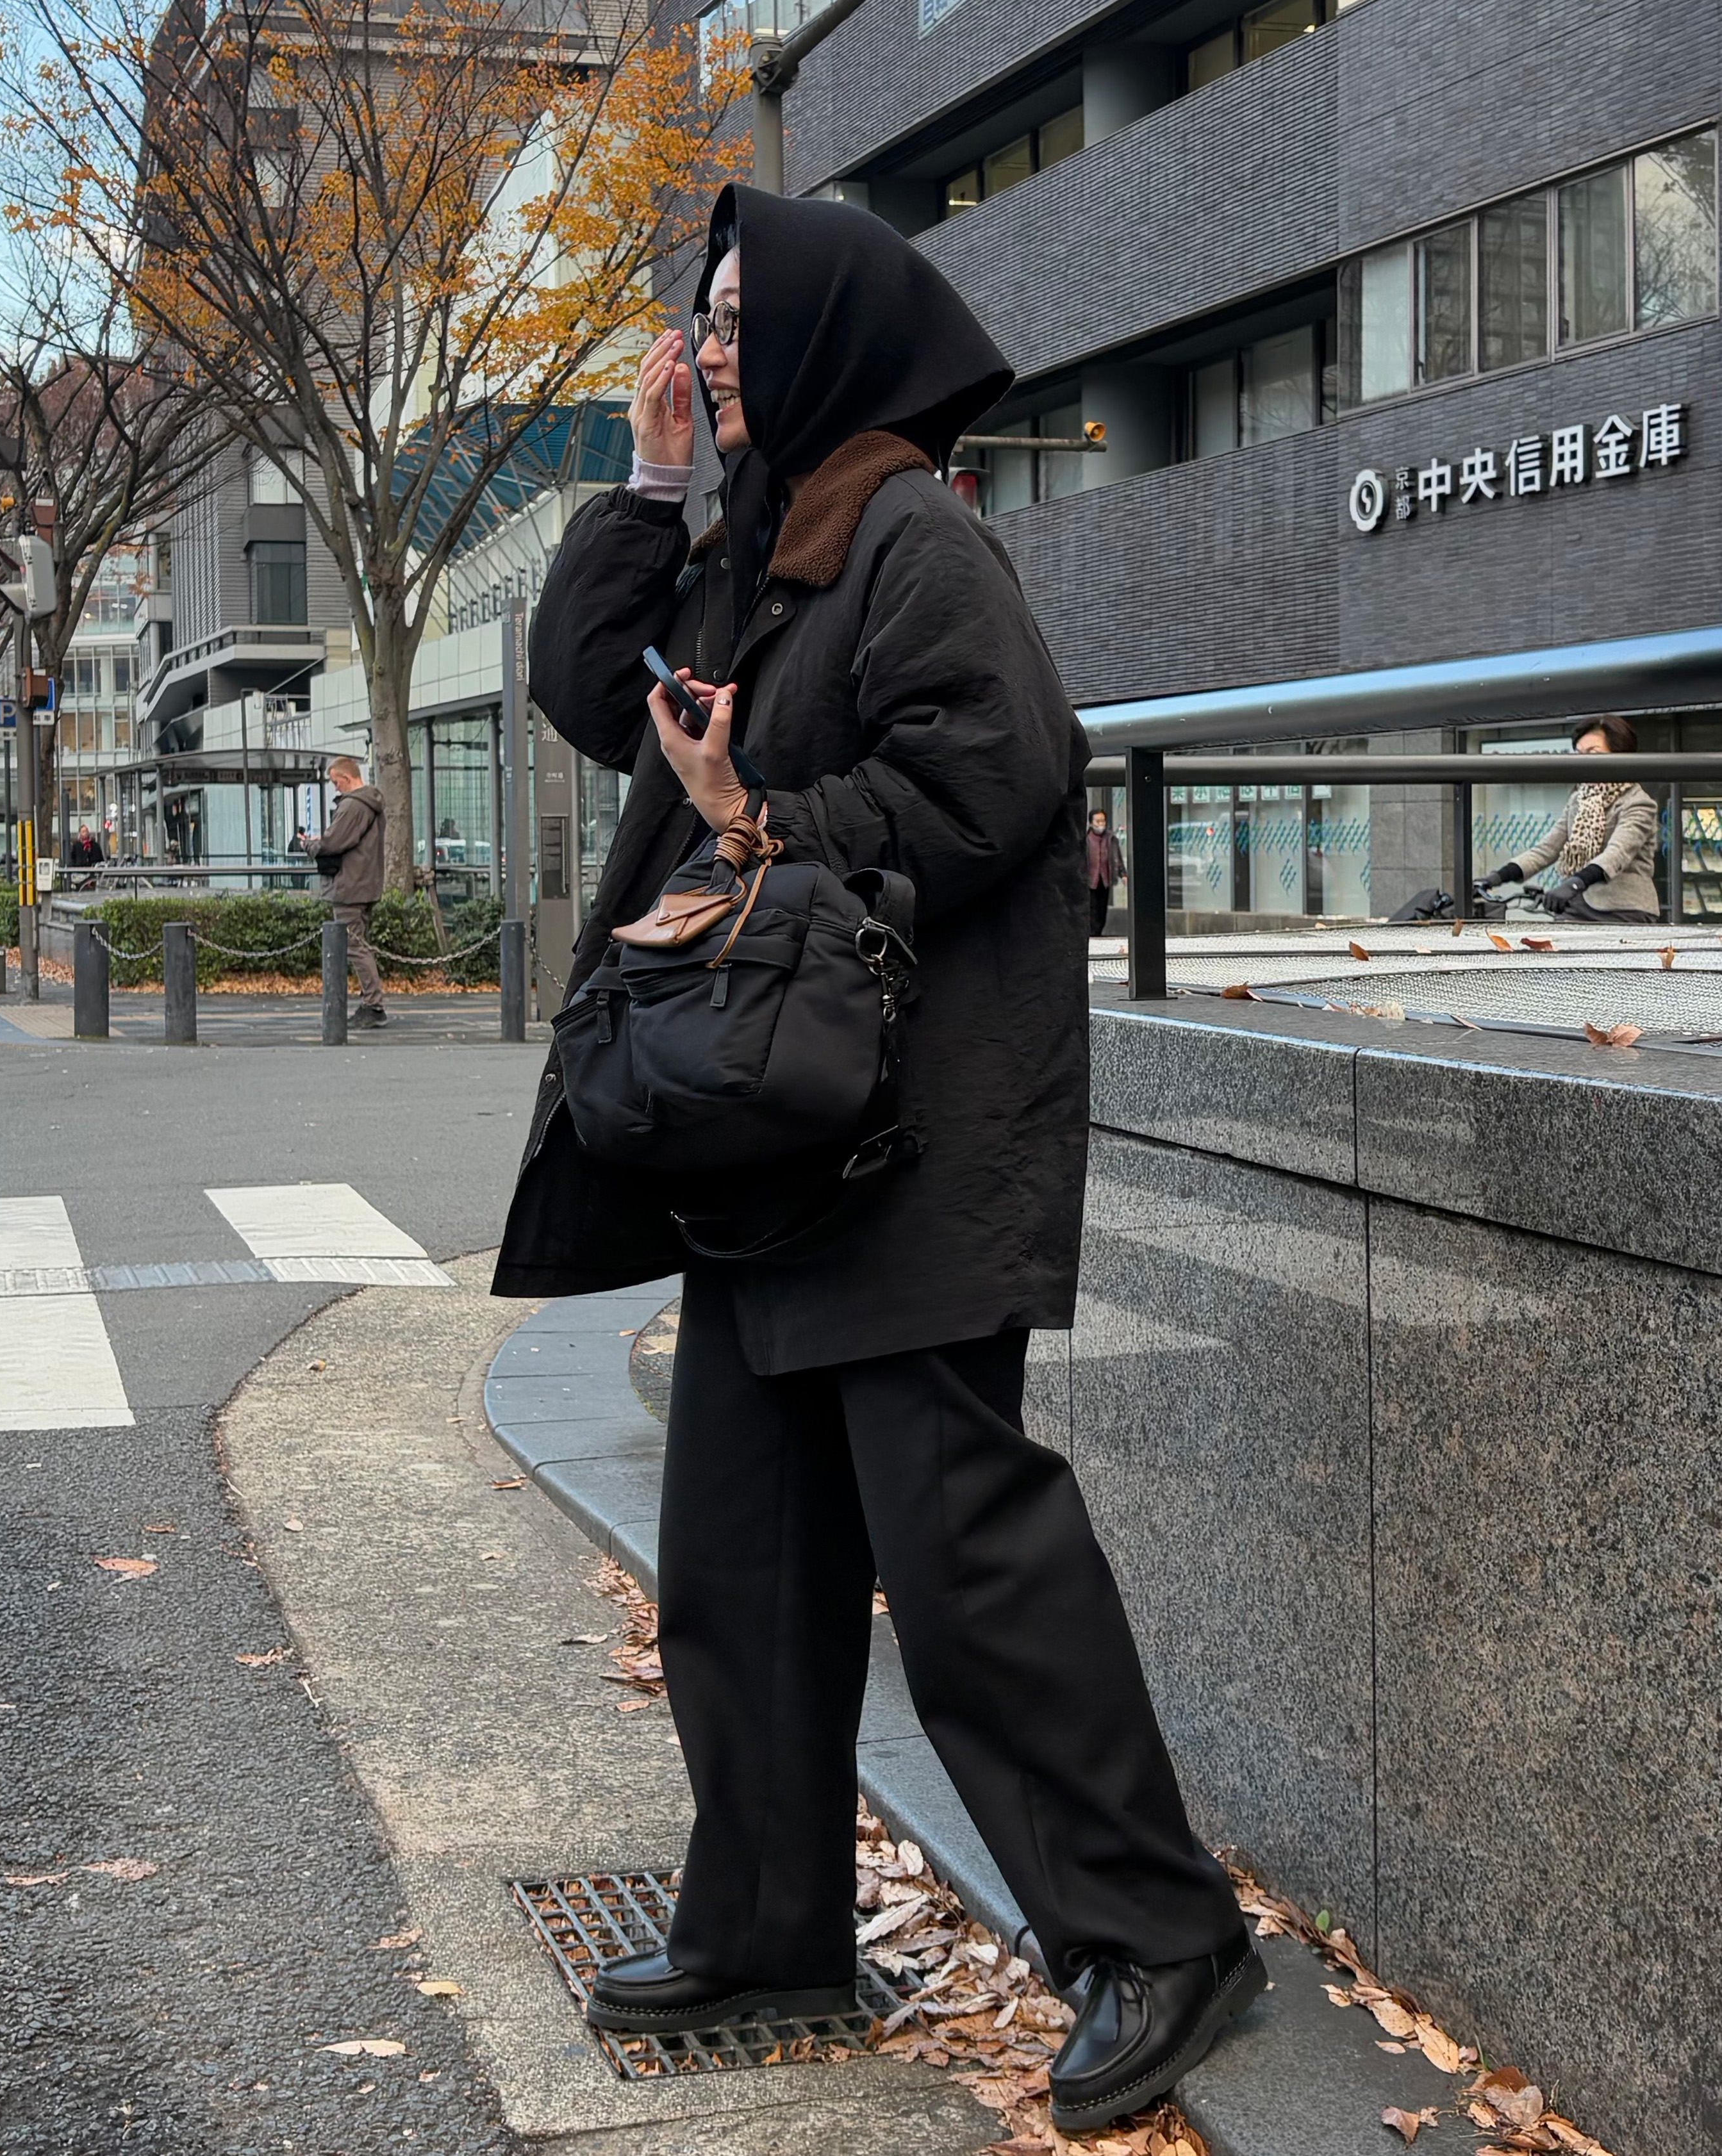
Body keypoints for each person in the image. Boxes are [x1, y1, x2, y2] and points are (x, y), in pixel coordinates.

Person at [495, 185, 1260, 2137]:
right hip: (783, 1137)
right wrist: (649, 489)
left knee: (963, 1561)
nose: (711, 345)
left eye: (739, 320)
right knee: (739, 1561)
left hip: (917, 1133)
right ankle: (769, 1925)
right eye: (704, 317)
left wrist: (760, 811)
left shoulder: (910, 531)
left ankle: (1160, 1933)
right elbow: (587, 690)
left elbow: (994, 781)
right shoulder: (759, 542)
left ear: (834, 333)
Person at [1475, 716, 1661, 922]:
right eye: (1580, 754)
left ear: (1619, 755)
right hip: (1578, 905)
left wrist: (1573, 884)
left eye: (1593, 753)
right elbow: (1546, 850)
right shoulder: (1579, 799)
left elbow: (1616, 854)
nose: (1584, 762)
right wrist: (1496, 878)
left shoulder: (1638, 803)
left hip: (1624, 909)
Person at [302, 755, 388, 1026]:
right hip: (366, 882)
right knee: (360, 945)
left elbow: (334, 842)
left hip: (349, 885)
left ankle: (373, 1005)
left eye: (336, 782)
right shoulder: (372, 803)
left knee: (355, 947)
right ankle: (370, 1002)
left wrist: (310, 845)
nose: (335, 788)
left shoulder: (353, 805)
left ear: (347, 778)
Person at [1086, 806, 1124, 937]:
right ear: (1091, 823)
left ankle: (1098, 932)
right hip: (1090, 880)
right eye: (1098, 821)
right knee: (1092, 908)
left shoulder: (1111, 839)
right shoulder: (1086, 840)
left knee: (1102, 908)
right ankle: (1093, 932)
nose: (1101, 824)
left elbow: (1117, 858)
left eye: (1103, 821)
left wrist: (1123, 874)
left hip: (1105, 879)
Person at [67, 822, 103, 887]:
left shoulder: (95, 845)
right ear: (80, 833)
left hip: (93, 872)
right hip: (79, 872)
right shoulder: (76, 846)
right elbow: (73, 859)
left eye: (86, 831)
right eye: (83, 831)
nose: (85, 833)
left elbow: (100, 859)